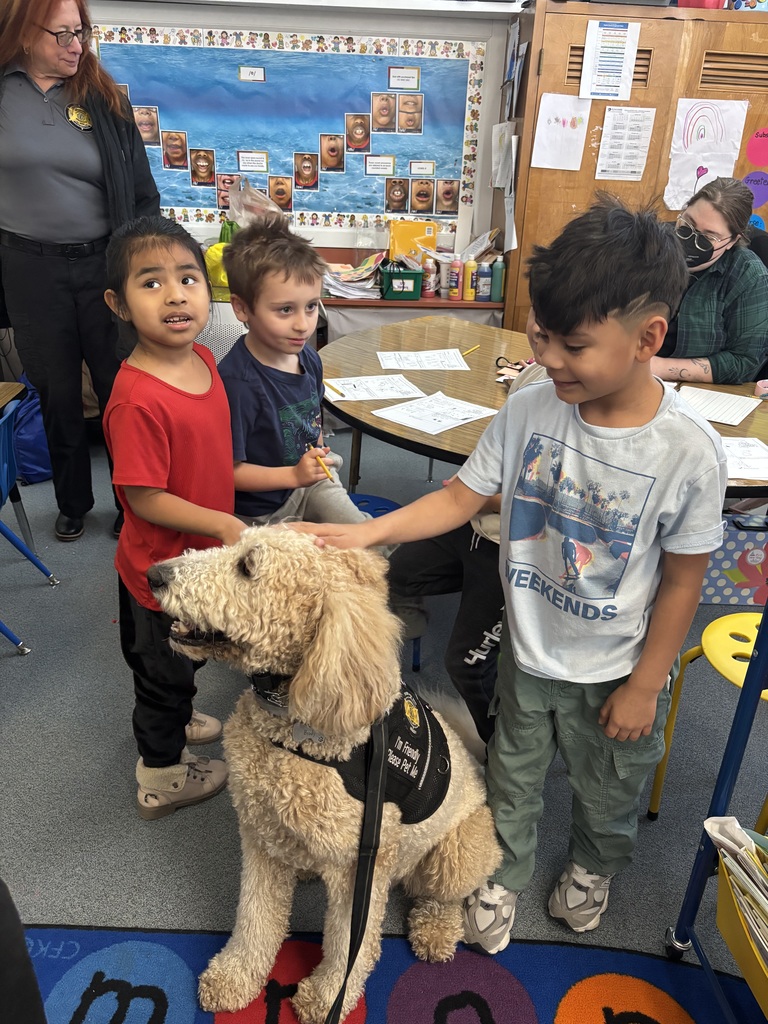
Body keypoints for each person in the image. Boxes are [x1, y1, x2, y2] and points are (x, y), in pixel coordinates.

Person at [292, 195, 728, 952]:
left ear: (648, 338)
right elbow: (460, 498)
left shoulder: (687, 453)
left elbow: (684, 581)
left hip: (617, 666)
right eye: (541, 334)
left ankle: (593, 867)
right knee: (512, 777)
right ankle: (504, 871)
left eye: (574, 344)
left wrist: (645, 683)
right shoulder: (531, 404)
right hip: (528, 652)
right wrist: (366, 533)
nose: (550, 357)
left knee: (608, 785)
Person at [0, 0, 160, 541]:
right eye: (63, 34)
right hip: (29, 268)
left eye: (81, 32)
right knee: (56, 390)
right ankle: (72, 502)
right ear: (24, 32)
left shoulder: (104, 98)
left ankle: (131, 501)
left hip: (104, 267)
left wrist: (144, 268)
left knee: (121, 388)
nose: (76, 45)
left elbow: (142, 192)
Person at [102, 216, 245, 819]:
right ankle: (160, 778)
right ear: (119, 304)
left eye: (188, 278)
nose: (175, 295)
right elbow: (145, 499)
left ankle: (180, 715)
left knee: (186, 661)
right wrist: (222, 524)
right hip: (159, 574)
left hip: (198, 562)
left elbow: (212, 458)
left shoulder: (205, 360)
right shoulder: (136, 398)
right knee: (162, 677)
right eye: (151, 283)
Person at [388, 335, 548, 748]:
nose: (544, 345)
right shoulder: (533, 375)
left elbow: (548, 504)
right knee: (397, 573)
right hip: (472, 525)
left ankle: (498, 747)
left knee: (465, 665)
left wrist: (482, 495)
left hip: (508, 548)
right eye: (541, 332)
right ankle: (484, 607)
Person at [217, 214, 370, 532]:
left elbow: (312, 421)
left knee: (364, 537)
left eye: (311, 306)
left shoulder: (309, 358)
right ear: (242, 308)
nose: (303, 325)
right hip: (260, 513)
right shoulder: (237, 384)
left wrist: (316, 458)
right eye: (285, 310)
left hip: (309, 483)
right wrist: (293, 475)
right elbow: (226, 473)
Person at [653, 176, 768, 384]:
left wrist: (658, 367)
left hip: (697, 391)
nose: (691, 239)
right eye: (688, 223)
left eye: (709, 236)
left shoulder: (748, 274)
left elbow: (744, 362)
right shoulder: (650, 247)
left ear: (732, 240)